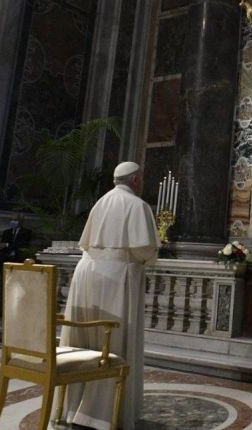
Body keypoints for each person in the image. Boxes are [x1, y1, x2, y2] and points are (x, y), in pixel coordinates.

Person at [58, 161, 159, 430]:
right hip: (116, 278)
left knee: (85, 341)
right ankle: (103, 414)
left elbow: (86, 241)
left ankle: (74, 408)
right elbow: (145, 250)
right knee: (112, 343)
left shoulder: (100, 202)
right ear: (136, 180)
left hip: (86, 273)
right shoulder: (137, 206)